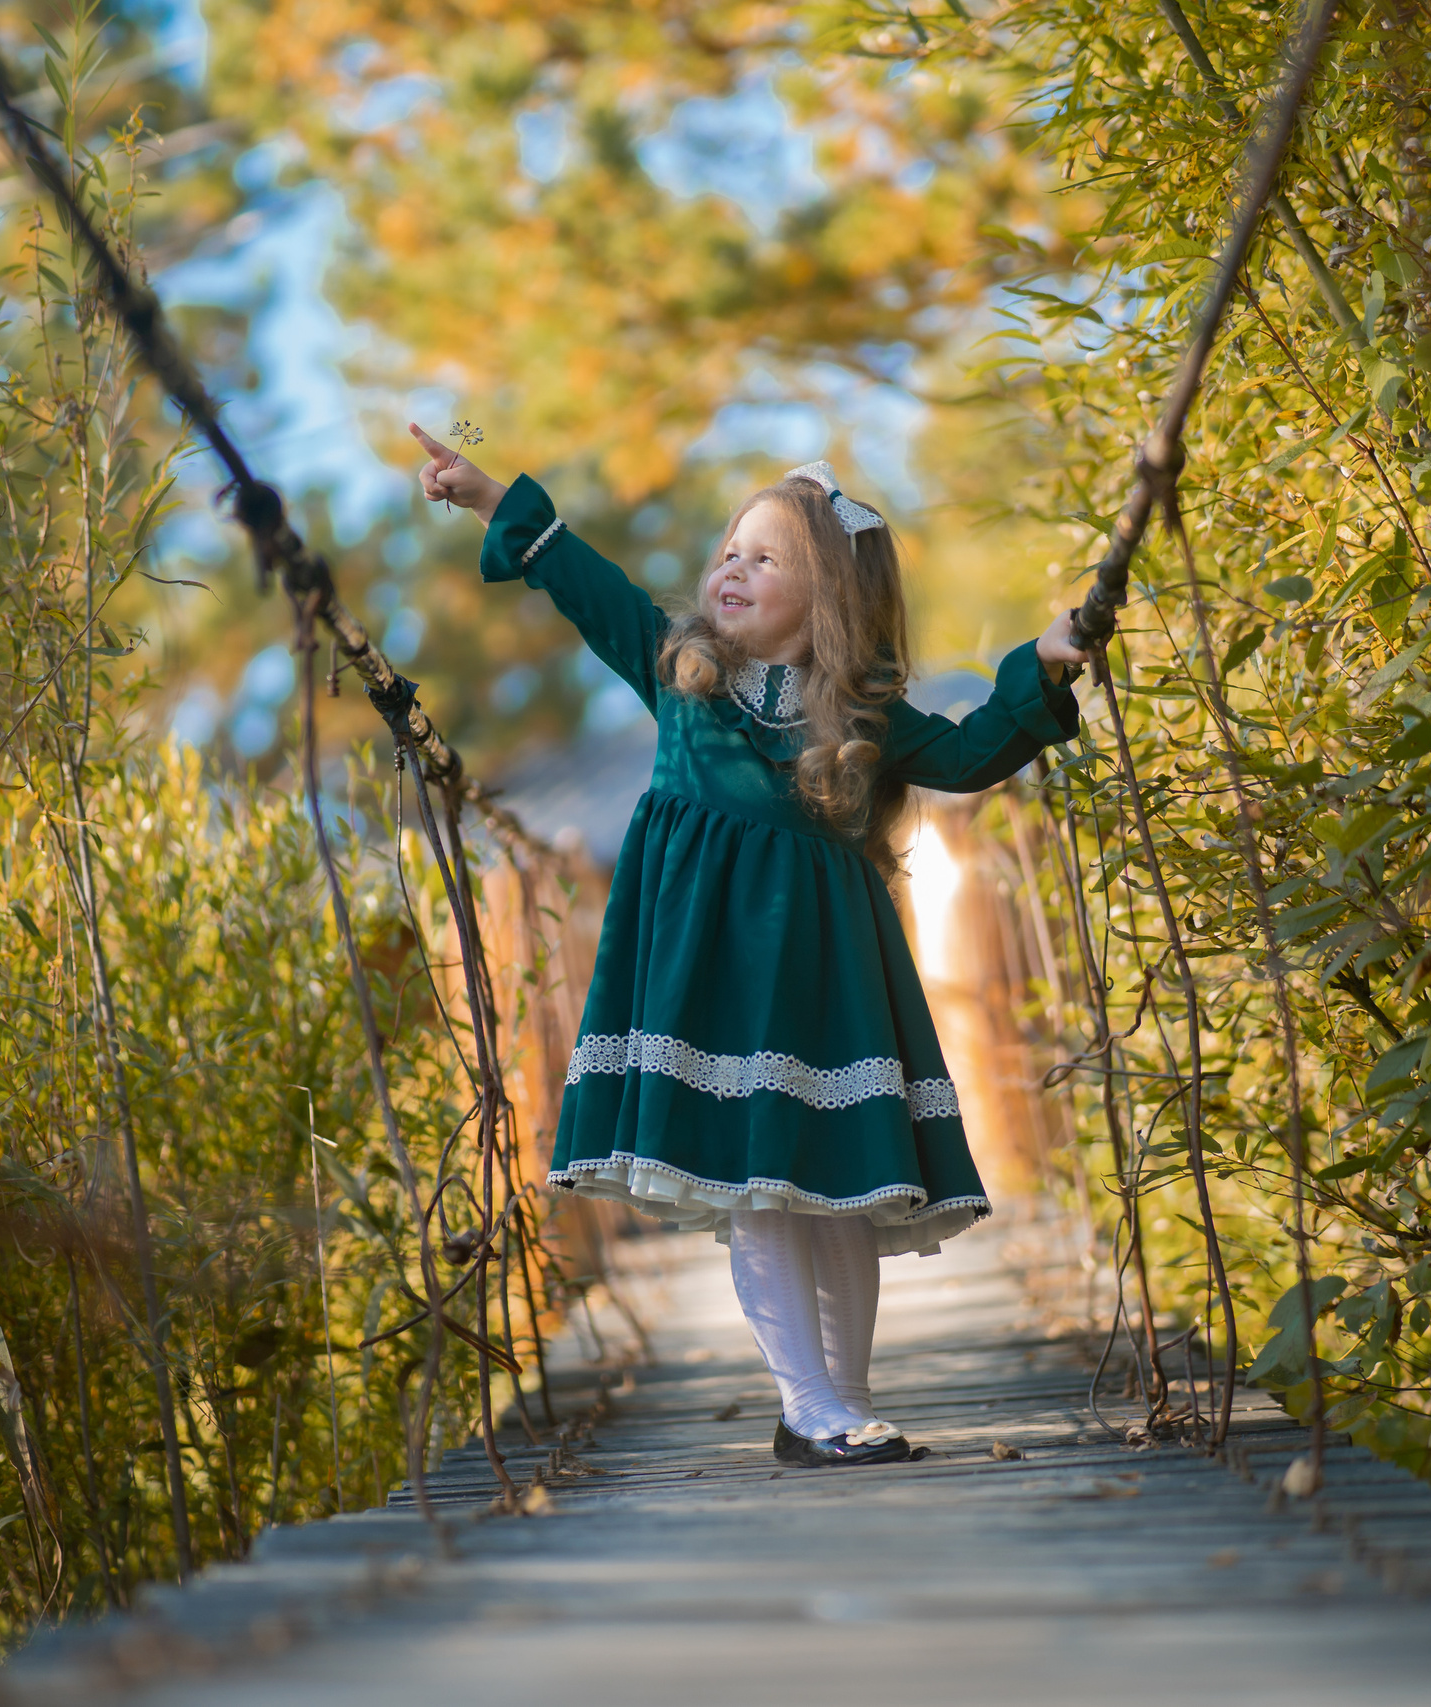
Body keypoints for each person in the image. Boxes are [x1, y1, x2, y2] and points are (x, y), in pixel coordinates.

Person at [410, 424, 1091, 1468]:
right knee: (760, 1191)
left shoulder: (862, 716)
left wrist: (1040, 667)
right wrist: (485, 493)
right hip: (712, 986)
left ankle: (844, 1399)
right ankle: (807, 1402)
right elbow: (585, 580)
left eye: (767, 558)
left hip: (826, 984)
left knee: (842, 1206)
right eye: (730, 550)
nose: (732, 567)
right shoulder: (679, 675)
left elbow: (967, 756)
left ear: (831, 601)